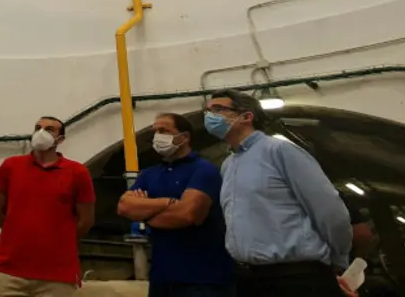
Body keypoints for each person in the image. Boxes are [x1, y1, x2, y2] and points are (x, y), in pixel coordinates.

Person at [204, 90, 352, 297]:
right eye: (208, 110)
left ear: (247, 116)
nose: (209, 116)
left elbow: (330, 211)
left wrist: (337, 262)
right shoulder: (229, 164)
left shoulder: (281, 151)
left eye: (218, 109)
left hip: (298, 278)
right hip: (252, 279)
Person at [117, 113, 235, 296]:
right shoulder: (149, 174)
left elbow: (187, 215)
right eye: (155, 132)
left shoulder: (204, 170)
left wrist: (145, 211)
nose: (157, 136)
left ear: (184, 137)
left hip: (203, 279)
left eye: (163, 130)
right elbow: (124, 207)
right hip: (161, 278)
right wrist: (168, 203)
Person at [0, 116, 95, 296]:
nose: (41, 132)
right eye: (38, 127)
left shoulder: (78, 172)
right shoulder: (10, 166)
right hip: (8, 271)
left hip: (57, 275)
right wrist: (18, 234)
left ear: (61, 139)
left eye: (50, 129)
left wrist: (58, 241)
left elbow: (86, 220)